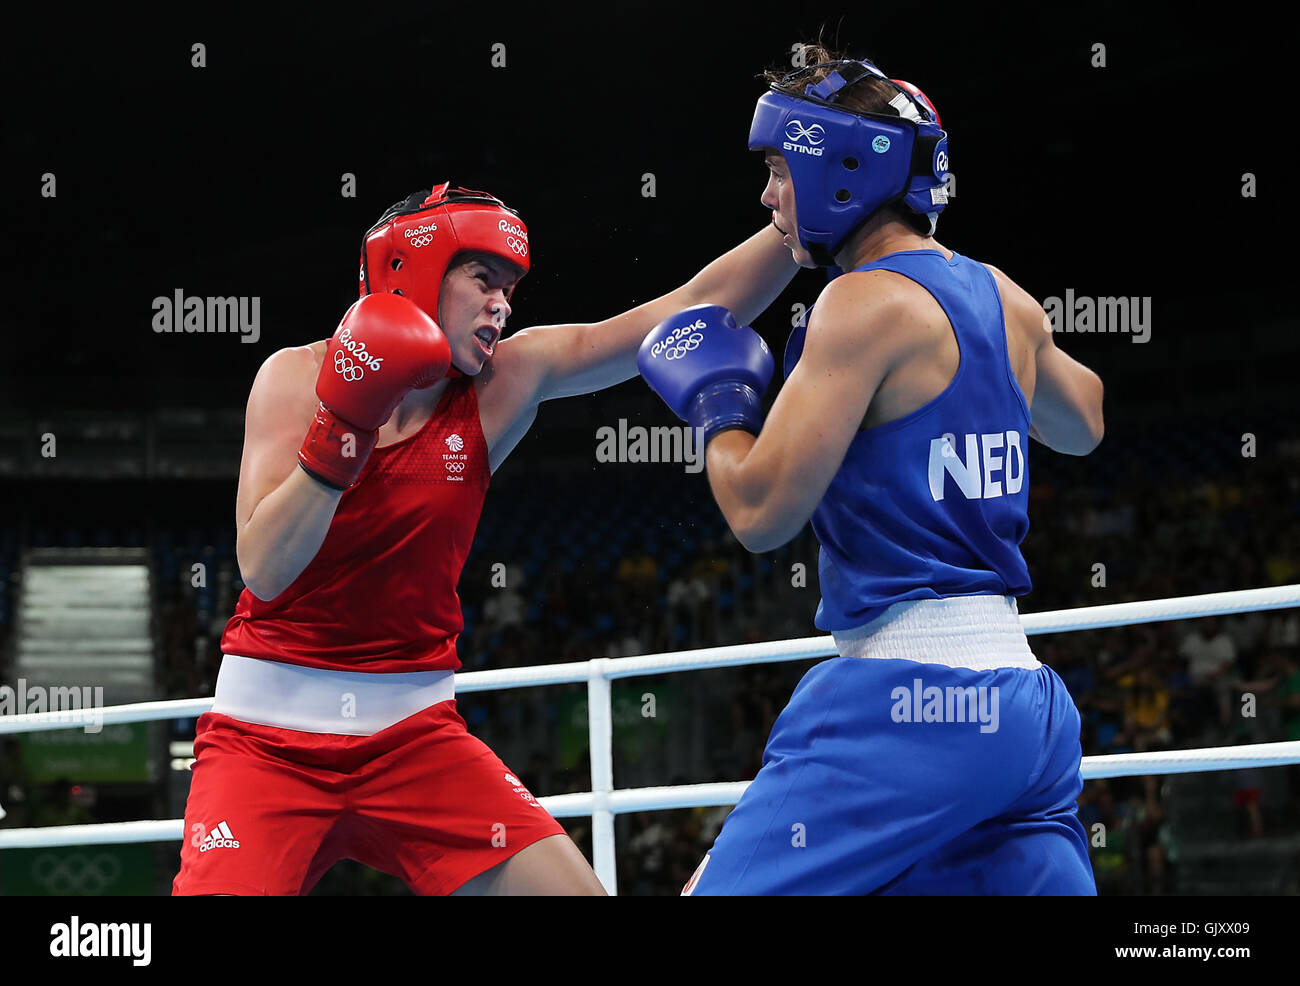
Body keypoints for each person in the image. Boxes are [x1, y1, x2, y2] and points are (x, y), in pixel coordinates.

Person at [172, 183, 796, 896]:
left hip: (415, 737)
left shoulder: (504, 382)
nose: (503, 304)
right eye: (484, 281)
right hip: (264, 740)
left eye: (511, 288)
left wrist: (800, 220)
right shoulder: (296, 377)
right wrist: (344, 431)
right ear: (417, 270)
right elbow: (265, 570)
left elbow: (679, 310)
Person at [640, 47, 1105, 894]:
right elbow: (1087, 422)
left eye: (779, 171)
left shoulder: (859, 305)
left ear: (839, 169)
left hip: (906, 708)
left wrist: (718, 405)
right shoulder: (1001, 297)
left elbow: (758, 512)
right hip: (1024, 714)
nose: (767, 197)